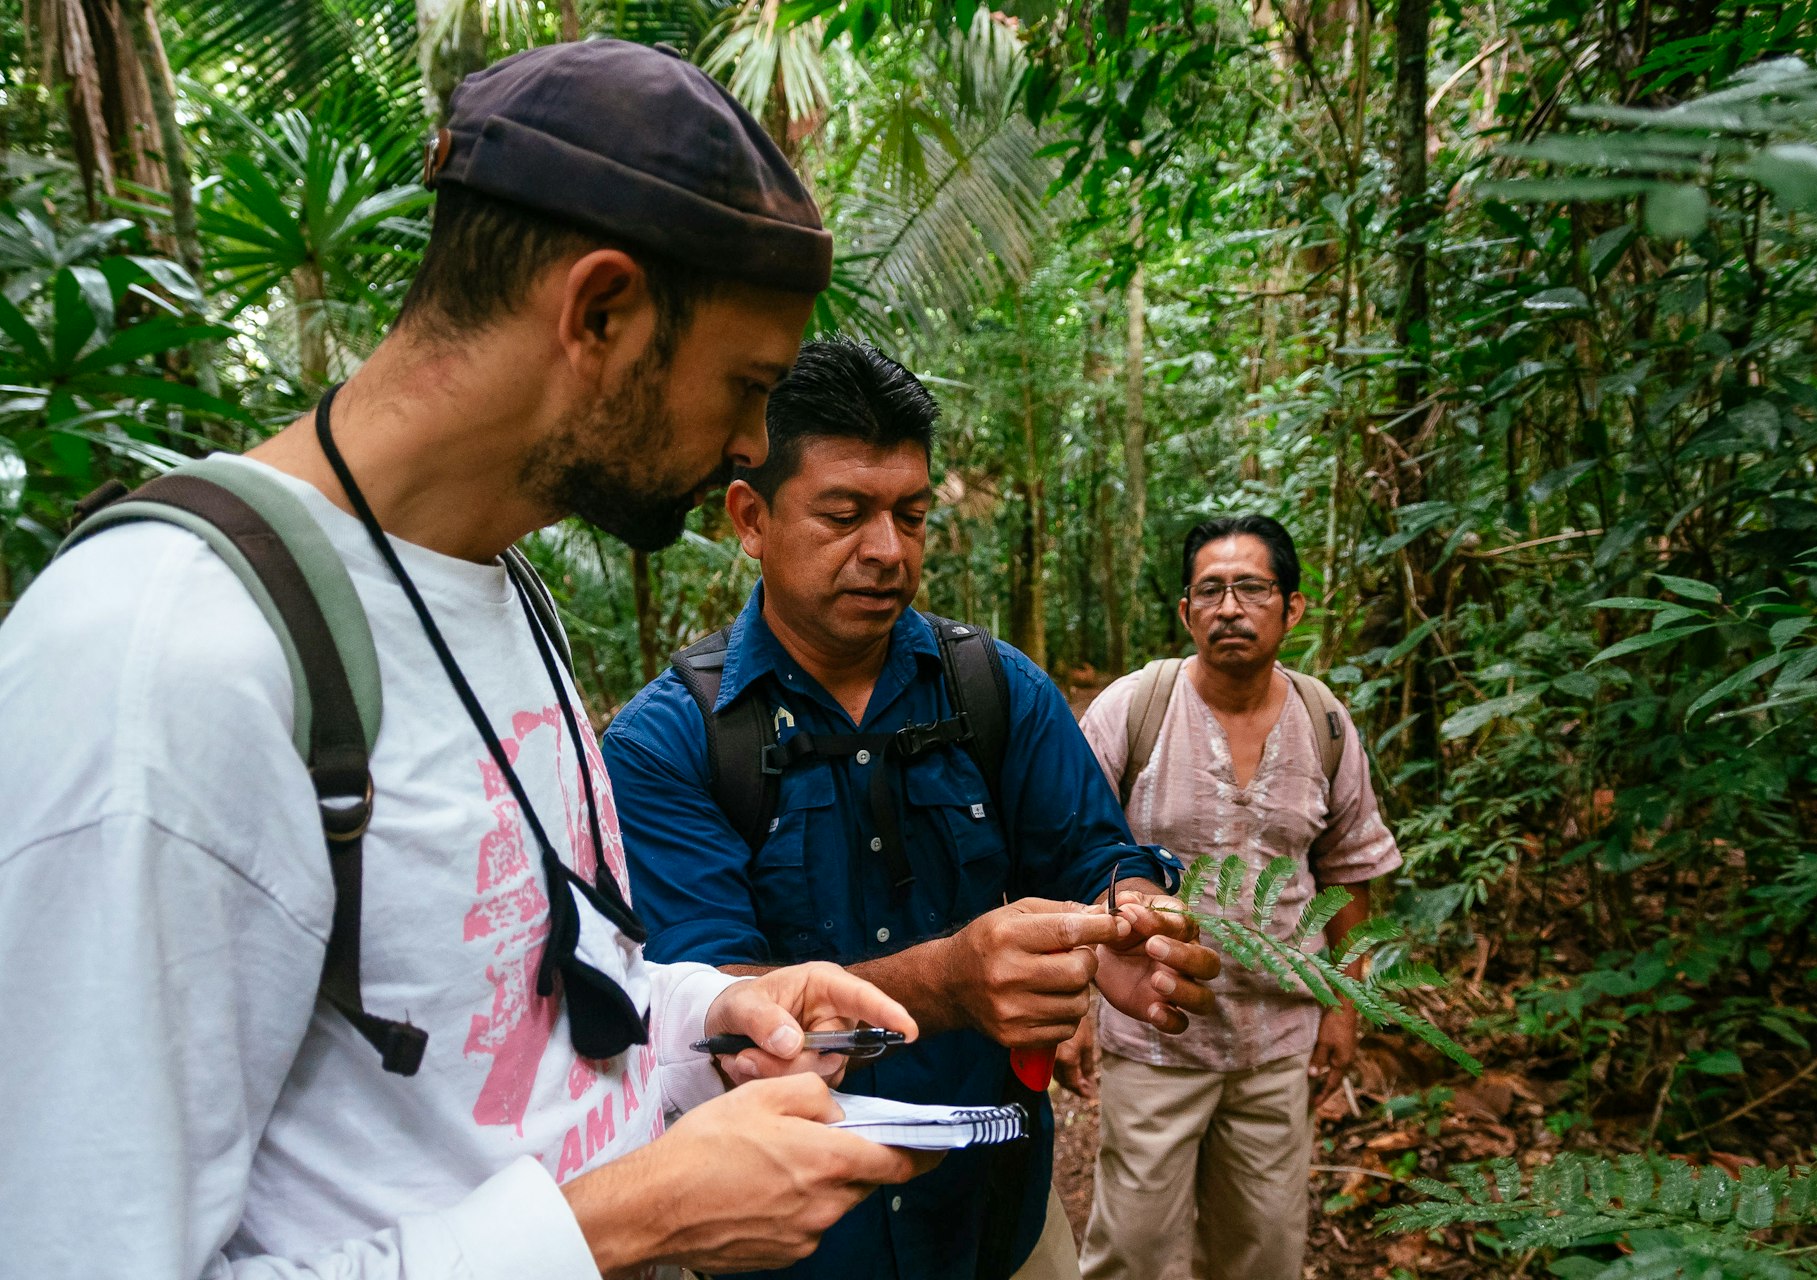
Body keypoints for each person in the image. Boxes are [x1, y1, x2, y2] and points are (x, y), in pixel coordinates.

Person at [0, 43, 941, 1280]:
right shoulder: (166, 657)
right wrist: (631, 1222)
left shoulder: (496, 585)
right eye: (749, 385)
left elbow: (503, 1023)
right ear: (600, 313)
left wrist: (707, 1018)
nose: (753, 442)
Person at [601, 336, 1223, 1280]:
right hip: (795, 1242)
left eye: (912, 515)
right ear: (750, 518)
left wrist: (1129, 921)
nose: (888, 551)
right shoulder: (667, 745)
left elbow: (1095, 852)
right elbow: (724, 1022)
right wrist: (949, 981)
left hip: (997, 1214)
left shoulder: (993, 688)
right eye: (845, 514)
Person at [1072, 513, 1404, 1280]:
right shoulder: (1133, 707)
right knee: (1133, 1251)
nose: (1229, 608)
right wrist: (1069, 1008)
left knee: (1262, 1251)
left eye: (1251, 589)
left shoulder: (1324, 721)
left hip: (1277, 1041)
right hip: (1156, 1035)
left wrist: (1344, 1004)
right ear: (1186, 611)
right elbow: (1070, 856)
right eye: (1210, 591)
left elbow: (1345, 869)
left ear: (1292, 608)